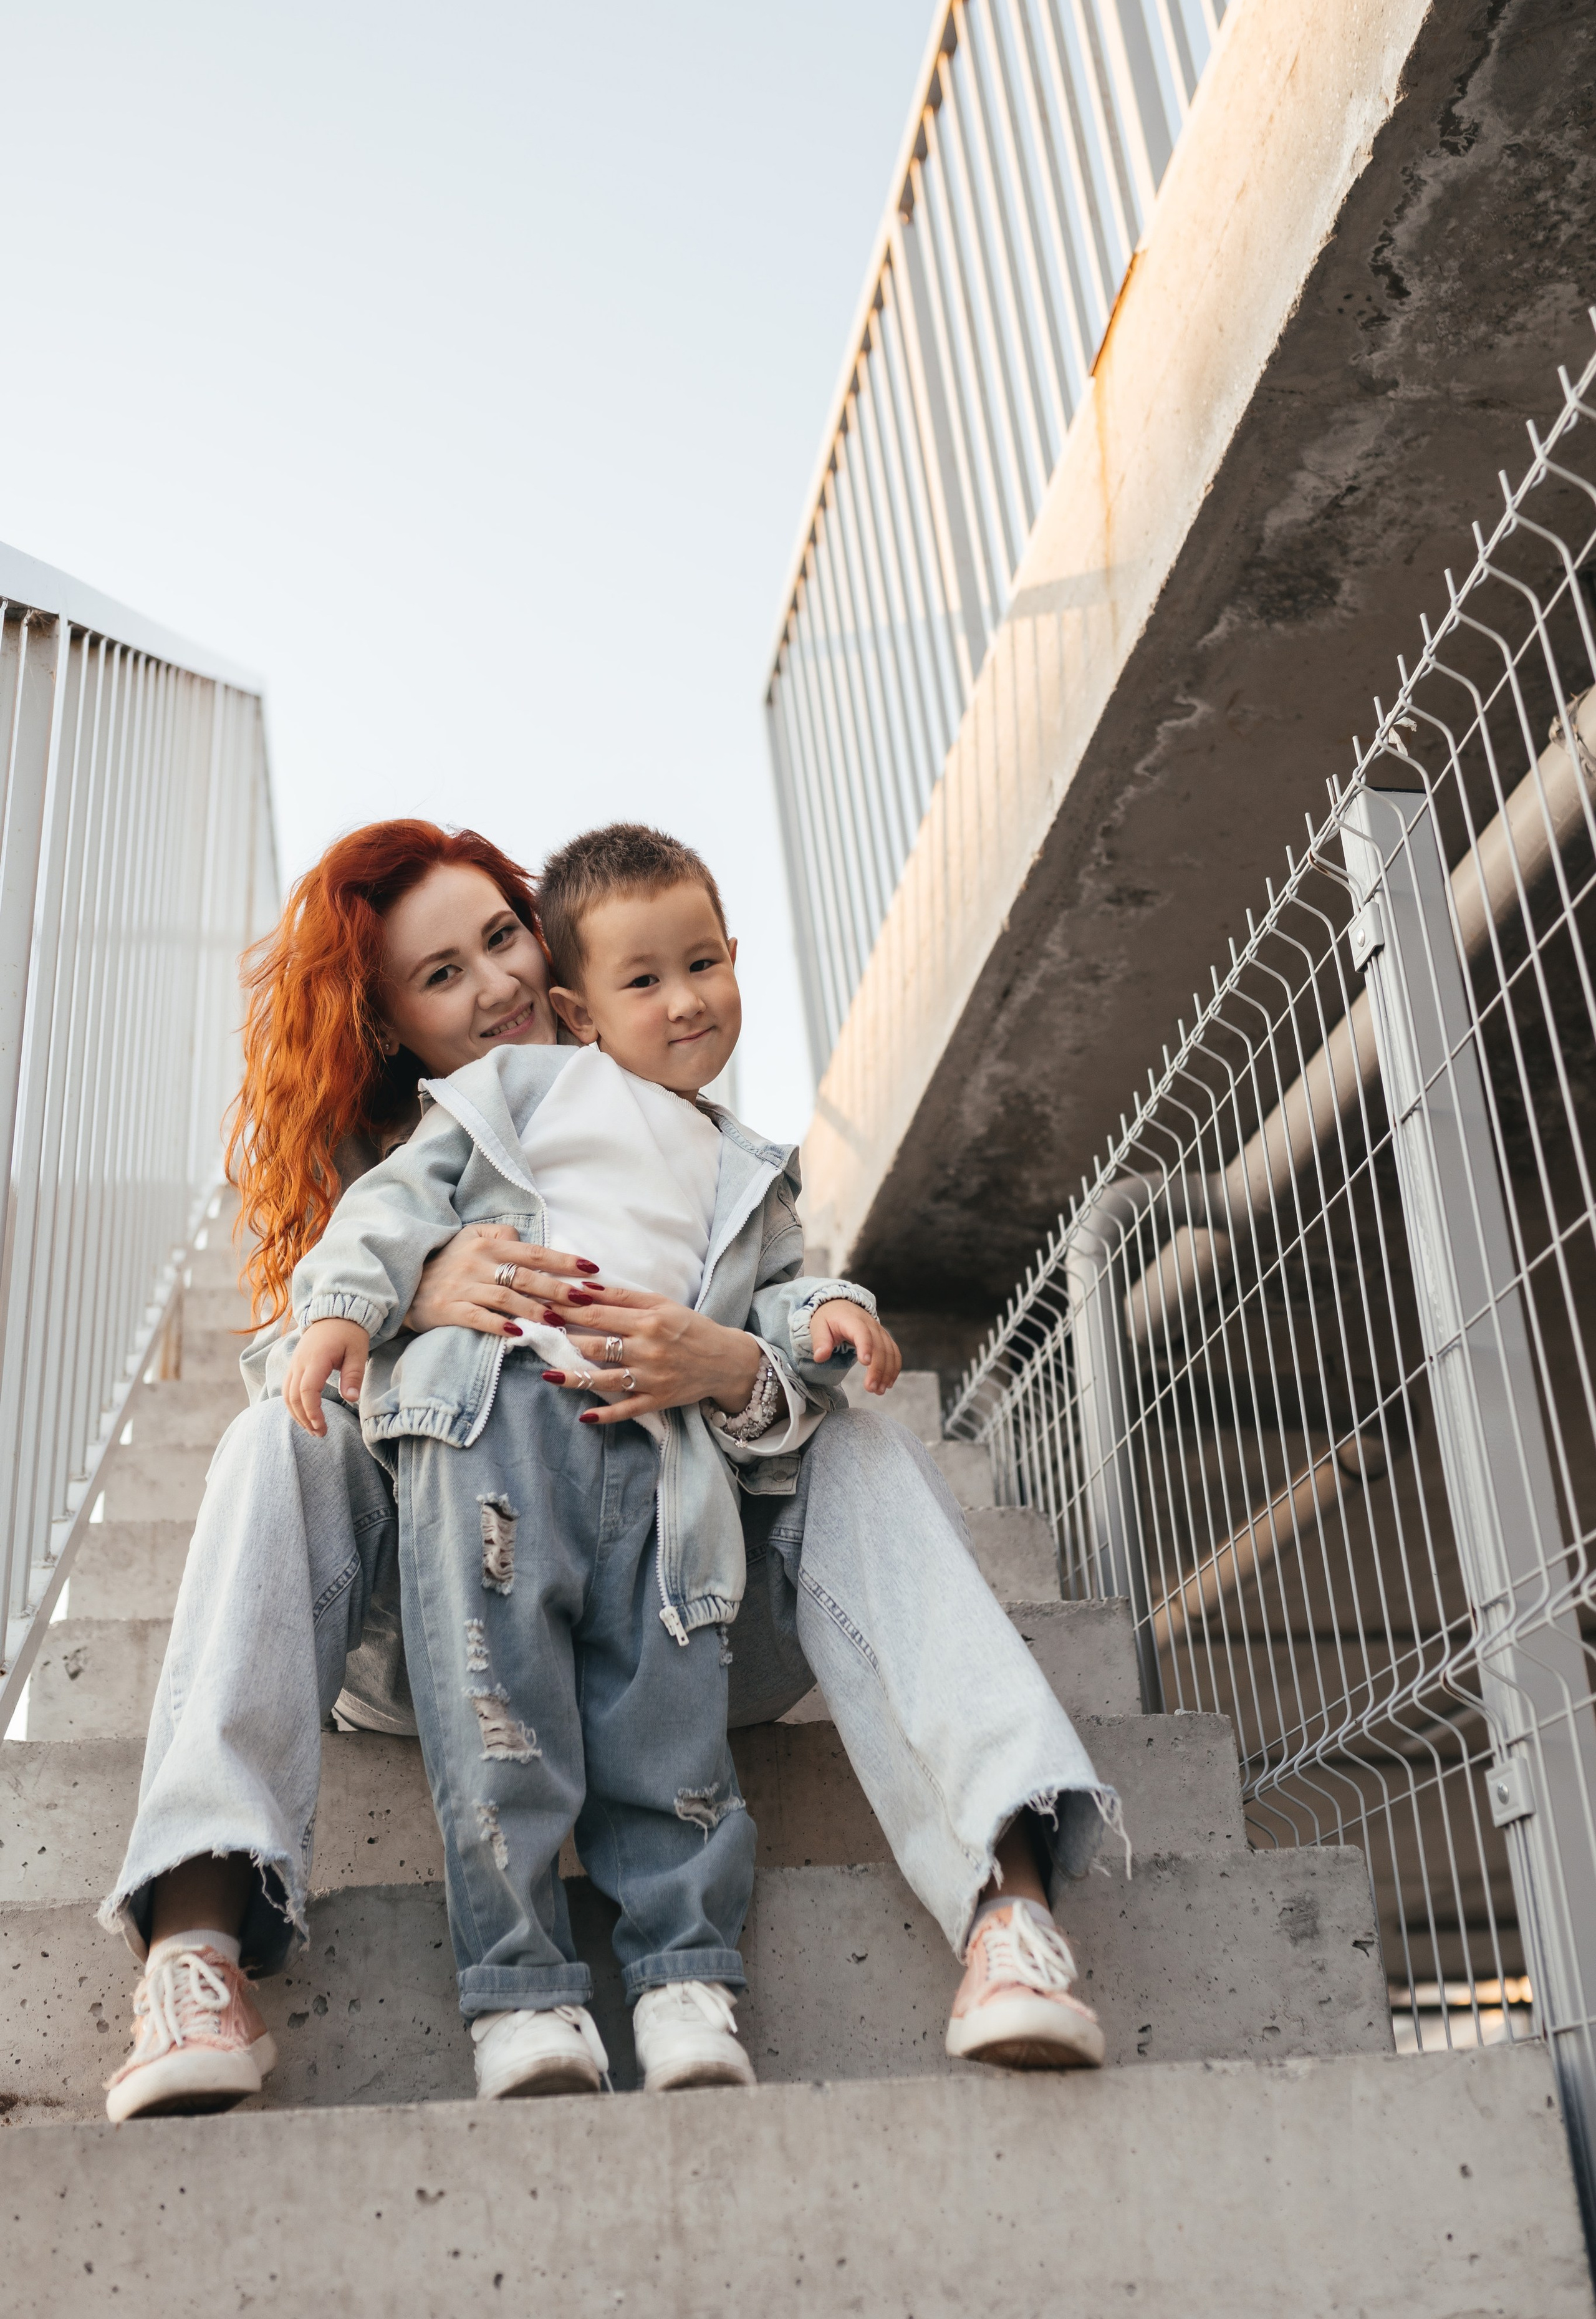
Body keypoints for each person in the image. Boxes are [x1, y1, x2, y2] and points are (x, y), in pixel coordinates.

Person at [100, 819, 1117, 2123]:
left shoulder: (687, 1156)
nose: (498, 985)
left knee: (854, 1434)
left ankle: (1007, 1913)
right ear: (395, 1028)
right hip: (449, 1623)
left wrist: (731, 1364)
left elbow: (788, 1311)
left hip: (679, 1603)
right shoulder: (397, 1188)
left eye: (503, 938)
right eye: (443, 976)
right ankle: (195, 1945)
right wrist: (408, 1294)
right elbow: (295, 1363)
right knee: (270, 1437)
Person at [282, 823, 900, 2098]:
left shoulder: (739, 1159)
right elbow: (391, 1208)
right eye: (640, 979)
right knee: (496, 1716)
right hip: (495, 1450)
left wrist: (823, 1314)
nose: (676, 1005)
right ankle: (520, 1996)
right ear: (584, 1004)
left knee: (666, 1726)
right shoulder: (512, 1094)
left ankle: (684, 1978)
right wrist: (345, 1309)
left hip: (661, 1463)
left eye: (699, 970)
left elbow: (768, 1288)